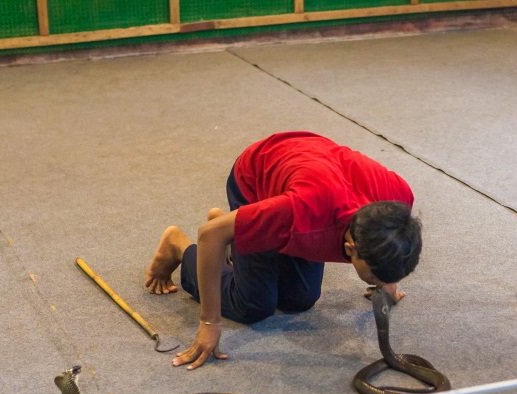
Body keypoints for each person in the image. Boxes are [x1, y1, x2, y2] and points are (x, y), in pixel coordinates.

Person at [145, 131, 422, 370]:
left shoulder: (399, 202)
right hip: (258, 178)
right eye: (372, 277)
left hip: (312, 168)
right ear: (350, 249)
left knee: (299, 300)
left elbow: (396, 243)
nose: (378, 283)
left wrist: (387, 281)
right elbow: (208, 234)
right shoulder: (302, 212)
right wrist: (209, 323)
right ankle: (182, 245)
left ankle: (233, 234)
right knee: (254, 305)